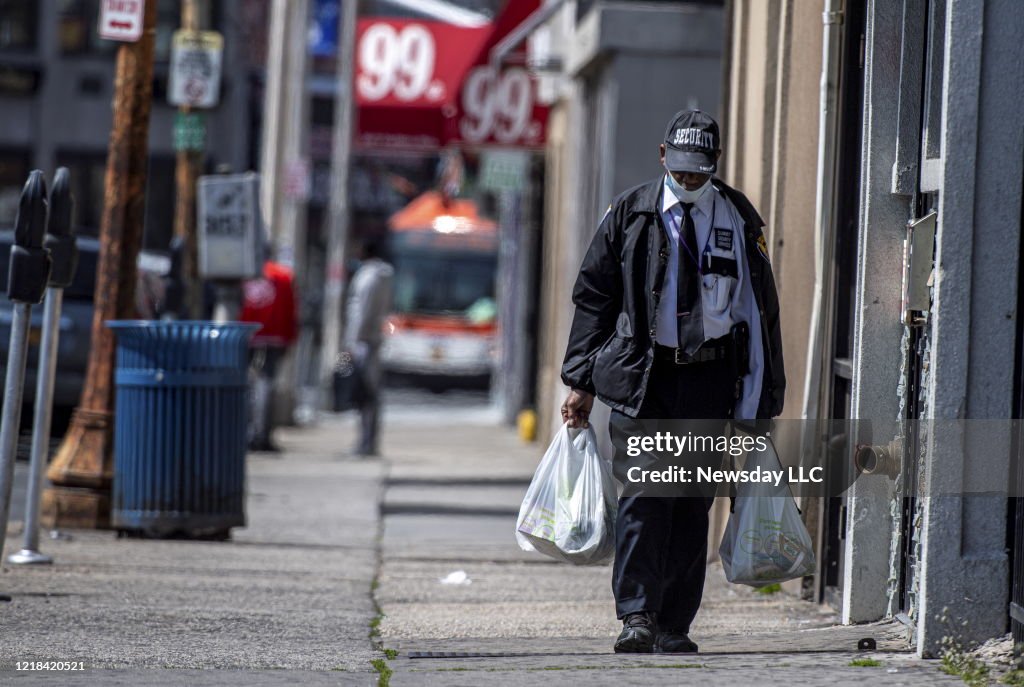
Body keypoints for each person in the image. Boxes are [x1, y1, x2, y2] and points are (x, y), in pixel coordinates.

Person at [560, 110, 786, 654]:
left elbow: (759, 317)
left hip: (709, 379)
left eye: (698, 172)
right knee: (642, 498)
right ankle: (636, 615)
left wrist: (758, 405)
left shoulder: (737, 218)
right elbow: (595, 297)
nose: (688, 181)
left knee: (690, 503)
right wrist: (580, 381)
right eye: (680, 170)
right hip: (645, 375)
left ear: (714, 165)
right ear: (663, 157)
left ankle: (675, 624)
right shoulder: (630, 214)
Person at [240, 247, 298, 452]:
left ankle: (246, 431)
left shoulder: (245, 275)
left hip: (246, 335)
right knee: (266, 383)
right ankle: (262, 433)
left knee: (244, 383)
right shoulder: (283, 277)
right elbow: (291, 310)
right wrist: (290, 338)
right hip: (275, 336)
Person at [344, 238, 394, 457]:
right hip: (373, 340)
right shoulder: (384, 276)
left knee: (364, 394)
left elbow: (360, 313)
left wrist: (352, 344)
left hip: (364, 342)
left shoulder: (368, 278)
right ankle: (368, 441)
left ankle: (366, 443)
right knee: (369, 394)